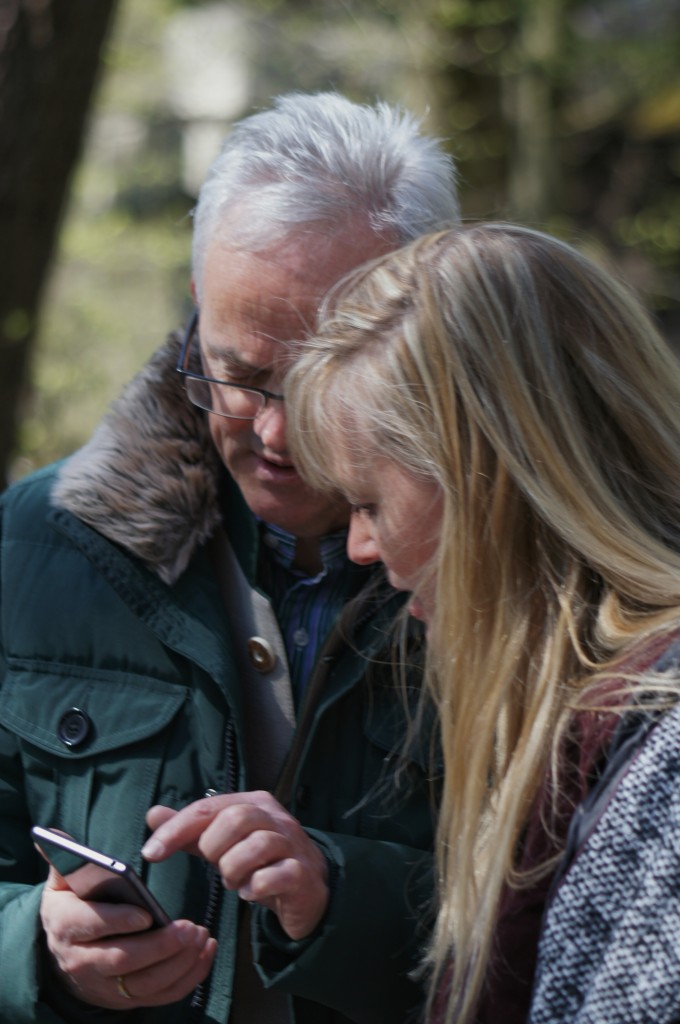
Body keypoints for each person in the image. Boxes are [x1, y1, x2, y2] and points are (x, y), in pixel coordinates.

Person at [0, 92, 459, 1023]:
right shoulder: (38, 543)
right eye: (236, 376)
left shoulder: (528, 577)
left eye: (321, 379)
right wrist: (34, 948)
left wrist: (344, 896)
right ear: (195, 309)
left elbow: (593, 916)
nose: (275, 432)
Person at [285, 223, 680, 1024]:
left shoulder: (662, 758)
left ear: (489, 485)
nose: (359, 546)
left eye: (369, 502)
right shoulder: (595, 724)